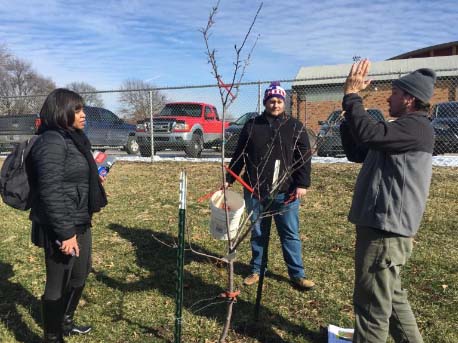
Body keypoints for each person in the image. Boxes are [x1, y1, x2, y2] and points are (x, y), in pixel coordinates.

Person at [340, 59, 435, 343]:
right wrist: (349, 114)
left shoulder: (415, 128)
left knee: (371, 308)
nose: (388, 97)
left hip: (384, 231)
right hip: (386, 229)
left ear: (409, 98)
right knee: (392, 300)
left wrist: (353, 97)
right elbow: (360, 151)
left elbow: (370, 133)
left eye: (394, 92)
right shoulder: (402, 130)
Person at [27, 88, 107, 343]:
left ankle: (66, 321)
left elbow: (72, 177)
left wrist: (94, 177)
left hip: (79, 218)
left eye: (83, 109)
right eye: (78, 109)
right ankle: (52, 337)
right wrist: (65, 233)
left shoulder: (74, 138)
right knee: (57, 282)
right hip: (58, 224)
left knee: (80, 275)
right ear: (62, 111)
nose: (84, 115)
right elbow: (50, 191)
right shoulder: (51, 141)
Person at [225, 82, 315, 290]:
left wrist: (302, 184)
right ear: (265, 102)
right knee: (258, 233)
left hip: (286, 192)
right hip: (255, 190)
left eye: (279, 101)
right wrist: (229, 178)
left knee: (290, 233)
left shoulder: (295, 126)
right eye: (272, 101)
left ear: (284, 103)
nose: (275, 105)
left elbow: (304, 158)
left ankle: (297, 274)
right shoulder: (252, 125)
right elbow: (240, 154)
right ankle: (257, 270)